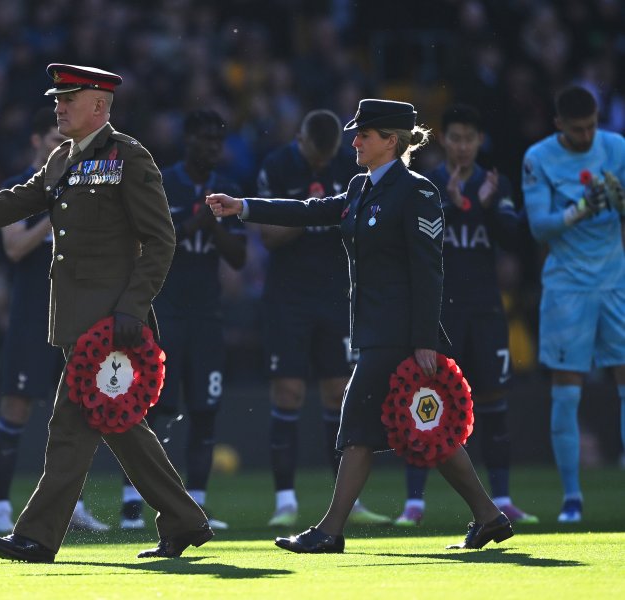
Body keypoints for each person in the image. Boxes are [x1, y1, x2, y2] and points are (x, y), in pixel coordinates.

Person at [0, 63, 212, 562]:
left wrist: (134, 310)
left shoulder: (129, 157)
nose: (58, 106)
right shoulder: (60, 160)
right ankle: (183, 521)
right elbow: (12, 202)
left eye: (68, 98)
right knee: (120, 424)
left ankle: (37, 536)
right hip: (78, 321)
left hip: (112, 325)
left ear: (99, 105)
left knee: (69, 427)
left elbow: (162, 240)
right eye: (57, 98)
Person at [207, 98, 513, 552]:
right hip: (374, 332)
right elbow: (311, 211)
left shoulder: (419, 192)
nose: (354, 141)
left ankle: (330, 531)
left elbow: (430, 270)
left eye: (364, 135)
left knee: (357, 428)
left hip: (400, 337)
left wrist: (426, 339)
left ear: (391, 141)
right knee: (429, 431)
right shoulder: (359, 187)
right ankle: (489, 516)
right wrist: (244, 207)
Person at [394, 104, 538, 526]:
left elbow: (514, 239)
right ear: (445, 140)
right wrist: (453, 206)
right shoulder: (428, 186)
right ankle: (414, 503)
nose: (461, 146)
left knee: (493, 403)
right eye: (454, 138)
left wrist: (488, 207)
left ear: (478, 142)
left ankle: (505, 498)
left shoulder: (495, 184)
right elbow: (416, 242)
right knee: (424, 400)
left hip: (486, 310)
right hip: (439, 311)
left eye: (468, 139)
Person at [253, 109, 390, 528]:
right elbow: (269, 235)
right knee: (289, 393)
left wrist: (328, 215)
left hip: (335, 297)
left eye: (326, 156)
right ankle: (285, 501)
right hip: (288, 298)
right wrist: (312, 212)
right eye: (315, 154)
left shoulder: (346, 167)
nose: (320, 163)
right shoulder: (277, 166)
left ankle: (348, 501)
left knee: (338, 394)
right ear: (301, 140)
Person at [120, 109, 246, 531]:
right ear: (188, 140)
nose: (212, 147)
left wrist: (215, 228)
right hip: (165, 313)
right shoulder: (164, 182)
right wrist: (196, 221)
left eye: (218, 140)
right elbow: (149, 242)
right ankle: (133, 503)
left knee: (205, 410)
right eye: (205, 138)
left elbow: (239, 257)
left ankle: (198, 504)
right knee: (153, 407)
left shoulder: (226, 189)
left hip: (207, 315)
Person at [0, 106, 109, 534]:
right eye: (52, 140)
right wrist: (54, 211)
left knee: (77, 410)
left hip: (75, 313)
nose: (60, 147)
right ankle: (1, 507)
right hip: (29, 313)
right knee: (17, 405)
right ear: (35, 144)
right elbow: (15, 247)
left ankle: (71, 506)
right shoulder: (17, 188)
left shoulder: (85, 186)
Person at [521, 84, 625, 524]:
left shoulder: (617, 147)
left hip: (615, 283)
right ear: (559, 124)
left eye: (593, 126)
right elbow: (539, 227)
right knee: (566, 393)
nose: (587, 136)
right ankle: (572, 498)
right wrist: (581, 209)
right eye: (578, 129)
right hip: (566, 289)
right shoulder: (538, 158)